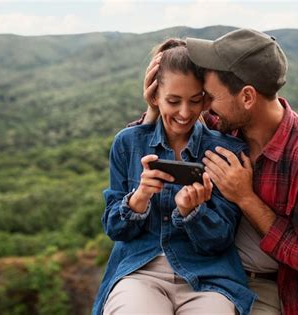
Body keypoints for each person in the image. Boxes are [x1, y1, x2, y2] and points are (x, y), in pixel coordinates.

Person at [140, 28, 298, 314]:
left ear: (248, 97)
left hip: (261, 286)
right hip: (200, 270)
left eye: (210, 97)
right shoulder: (220, 127)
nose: (205, 107)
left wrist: (245, 197)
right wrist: (153, 108)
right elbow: (149, 150)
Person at [92, 38, 256, 315]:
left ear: (205, 99)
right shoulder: (128, 143)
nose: (184, 112)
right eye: (173, 101)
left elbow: (220, 240)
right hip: (140, 272)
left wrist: (194, 212)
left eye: (194, 101)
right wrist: (139, 198)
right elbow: (115, 229)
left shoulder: (227, 151)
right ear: (154, 97)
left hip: (209, 278)